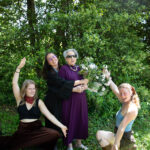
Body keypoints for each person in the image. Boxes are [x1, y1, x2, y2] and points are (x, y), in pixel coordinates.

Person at [0, 58, 67, 150]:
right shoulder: (20, 99)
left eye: (34, 88)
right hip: (23, 131)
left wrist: (61, 126)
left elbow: (49, 116)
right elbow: (14, 83)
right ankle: (26, 143)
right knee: (9, 145)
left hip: (37, 129)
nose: (32, 91)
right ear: (25, 89)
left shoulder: (38, 101)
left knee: (54, 133)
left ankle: (39, 145)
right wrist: (18, 68)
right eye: (30, 89)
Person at [42, 52, 88, 133]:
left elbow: (68, 82)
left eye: (54, 56)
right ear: (48, 63)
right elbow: (64, 83)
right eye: (50, 59)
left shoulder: (63, 68)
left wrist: (84, 84)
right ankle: (51, 142)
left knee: (61, 118)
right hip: (52, 99)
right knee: (52, 120)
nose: (53, 59)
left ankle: (62, 136)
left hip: (61, 97)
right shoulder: (50, 73)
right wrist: (80, 82)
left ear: (57, 57)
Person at [96, 68, 140, 150]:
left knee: (100, 134)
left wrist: (116, 143)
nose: (122, 96)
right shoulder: (125, 101)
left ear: (131, 93)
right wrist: (108, 77)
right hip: (117, 134)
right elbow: (115, 89)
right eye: (121, 94)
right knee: (100, 134)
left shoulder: (132, 109)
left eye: (125, 93)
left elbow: (122, 127)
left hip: (124, 139)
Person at [59, 49, 88, 150]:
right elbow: (61, 86)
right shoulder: (63, 69)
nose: (72, 58)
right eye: (69, 56)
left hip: (81, 99)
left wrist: (85, 86)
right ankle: (69, 144)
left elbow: (86, 82)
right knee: (69, 120)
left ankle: (79, 143)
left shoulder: (80, 68)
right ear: (66, 59)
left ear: (76, 57)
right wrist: (74, 89)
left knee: (81, 119)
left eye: (74, 56)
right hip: (69, 100)